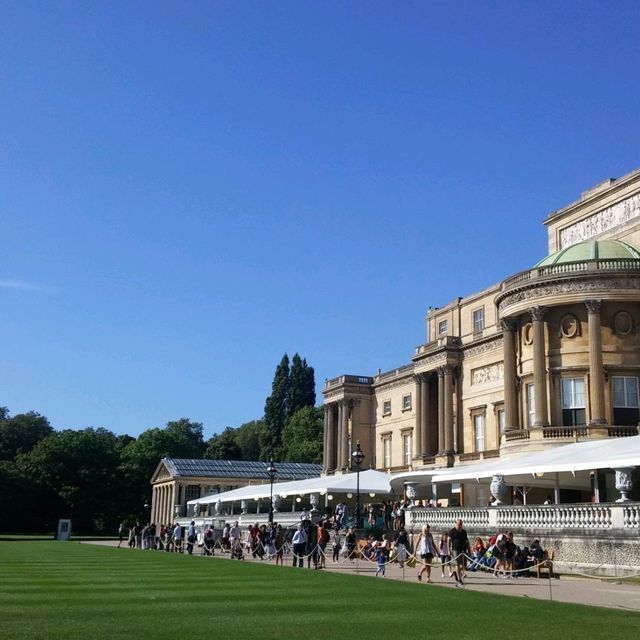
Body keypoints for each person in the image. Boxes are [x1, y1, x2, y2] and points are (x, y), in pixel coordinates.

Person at [448, 519, 470, 586]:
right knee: (457, 564)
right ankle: (459, 579)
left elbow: (466, 542)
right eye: (458, 524)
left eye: (461, 524)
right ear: (456, 524)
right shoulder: (452, 531)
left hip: (463, 550)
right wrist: (449, 550)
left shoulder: (464, 532)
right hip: (456, 550)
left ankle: (456, 572)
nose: (460, 526)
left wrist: (469, 550)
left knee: (464, 565)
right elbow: (449, 541)